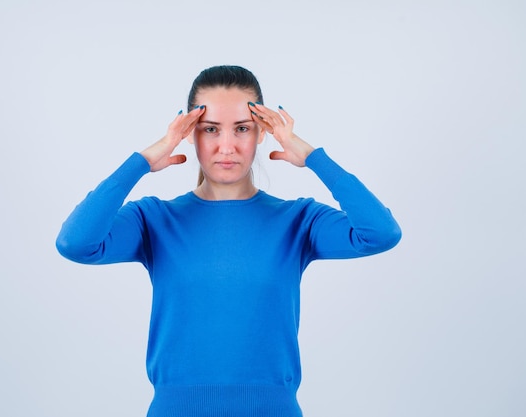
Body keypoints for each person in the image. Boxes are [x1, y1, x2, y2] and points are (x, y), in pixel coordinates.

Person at [56, 65, 401, 417]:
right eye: (210, 129)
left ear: (262, 132)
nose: (227, 146)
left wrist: (314, 158)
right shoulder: (154, 220)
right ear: (190, 133)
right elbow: (75, 243)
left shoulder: (298, 221)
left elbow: (379, 233)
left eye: (242, 129)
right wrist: (141, 162)